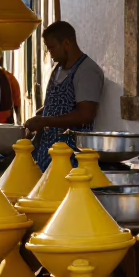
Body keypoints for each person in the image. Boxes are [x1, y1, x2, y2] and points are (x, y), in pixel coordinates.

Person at [25, 21, 104, 168]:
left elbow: (85, 114)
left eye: (52, 48)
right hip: (46, 156)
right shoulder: (58, 69)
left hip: (70, 159)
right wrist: (41, 116)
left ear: (67, 43)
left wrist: (45, 121)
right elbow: (58, 105)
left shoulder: (87, 71)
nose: (50, 53)